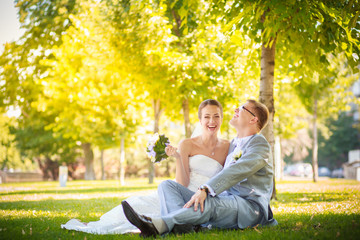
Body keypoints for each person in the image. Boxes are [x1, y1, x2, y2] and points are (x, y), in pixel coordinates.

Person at [61, 99, 229, 234]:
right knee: (138, 204)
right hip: (182, 194)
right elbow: (181, 184)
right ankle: (185, 222)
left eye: (216, 116)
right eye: (207, 117)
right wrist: (177, 158)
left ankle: (182, 223)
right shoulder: (187, 144)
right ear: (200, 120)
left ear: (222, 118)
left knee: (156, 211)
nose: (212, 121)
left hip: (206, 197)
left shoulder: (228, 147)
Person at [121, 99, 278, 237]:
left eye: (242, 108)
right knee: (167, 186)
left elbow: (237, 170)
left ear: (253, 119)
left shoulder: (259, 144)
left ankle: (158, 225)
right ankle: (184, 226)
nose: (236, 110)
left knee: (209, 202)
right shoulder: (234, 144)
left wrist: (205, 189)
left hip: (249, 206)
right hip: (227, 200)